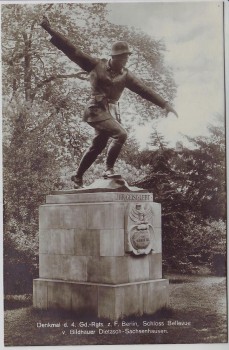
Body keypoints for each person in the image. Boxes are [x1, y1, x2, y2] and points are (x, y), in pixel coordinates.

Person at [40, 16, 178, 189]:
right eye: (123, 58)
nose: (125, 61)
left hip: (110, 112)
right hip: (95, 110)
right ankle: (108, 169)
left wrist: (164, 103)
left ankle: (77, 176)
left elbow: (144, 90)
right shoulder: (96, 65)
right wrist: (50, 30)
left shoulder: (125, 75)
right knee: (121, 134)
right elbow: (73, 51)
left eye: (127, 59)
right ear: (114, 57)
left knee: (97, 146)